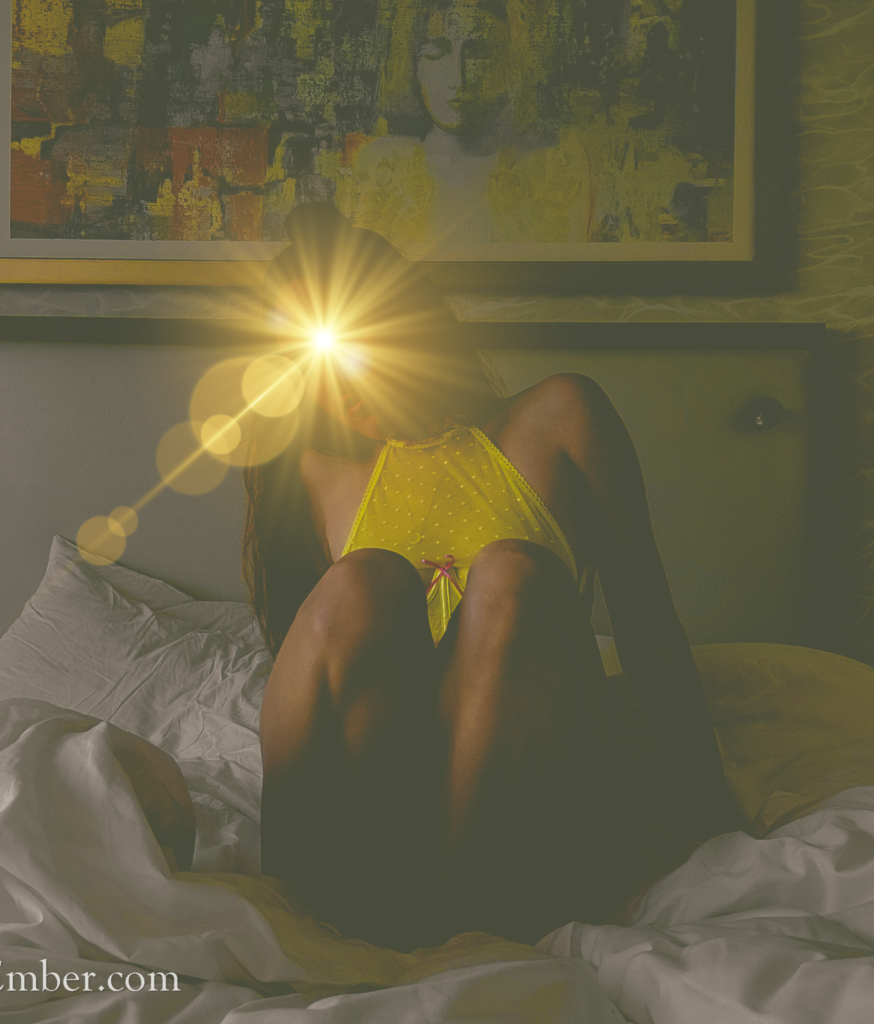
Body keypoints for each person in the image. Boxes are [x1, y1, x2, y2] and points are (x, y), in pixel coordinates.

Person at [241, 203, 745, 953]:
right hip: (383, 798)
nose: (335, 388)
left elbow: (647, 626)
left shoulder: (558, 416)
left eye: (350, 348)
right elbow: (311, 675)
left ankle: (461, 921)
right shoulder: (313, 473)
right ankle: (303, 909)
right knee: (360, 583)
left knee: (512, 574)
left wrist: (712, 813)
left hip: (523, 786)